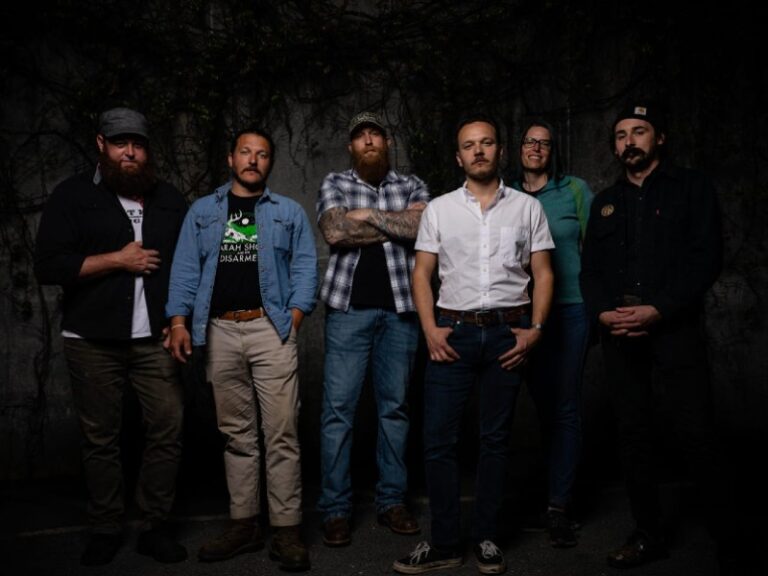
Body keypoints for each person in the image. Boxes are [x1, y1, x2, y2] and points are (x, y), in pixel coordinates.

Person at [580, 103, 740, 571]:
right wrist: (604, 314)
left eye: (640, 131)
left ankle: (729, 538)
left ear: (660, 139)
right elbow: (590, 271)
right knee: (633, 436)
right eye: (622, 135)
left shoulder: (690, 188)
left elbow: (705, 258)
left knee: (697, 432)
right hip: (620, 332)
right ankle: (647, 534)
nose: (630, 141)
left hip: (674, 329)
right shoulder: (605, 202)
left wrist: (659, 310)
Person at [394, 114, 554, 575]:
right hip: (453, 334)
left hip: (508, 334)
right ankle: (445, 543)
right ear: (459, 155)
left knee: (495, 439)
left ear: (499, 150)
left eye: (486, 142)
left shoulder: (527, 208)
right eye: (469, 145)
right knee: (439, 441)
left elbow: (543, 273)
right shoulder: (440, 209)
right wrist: (429, 329)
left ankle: (486, 537)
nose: (478, 151)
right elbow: (421, 274)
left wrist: (537, 329)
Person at [33, 107, 188, 566]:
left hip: (155, 339)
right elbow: (50, 265)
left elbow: (187, 267)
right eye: (120, 143)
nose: (130, 152)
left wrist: (179, 319)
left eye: (138, 144)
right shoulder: (72, 197)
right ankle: (105, 526)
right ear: (101, 144)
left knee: (169, 427)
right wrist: (117, 260)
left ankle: (154, 526)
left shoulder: (169, 199)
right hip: (92, 339)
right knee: (101, 437)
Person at [165, 126, 317, 571]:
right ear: (231, 159)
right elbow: (185, 268)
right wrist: (178, 320)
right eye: (246, 152)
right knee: (237, 435)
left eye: (263, 154)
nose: (253, 160)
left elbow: (307, 264)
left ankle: (287, 531)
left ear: (270, 163)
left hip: (270, 328)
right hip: (220, 333)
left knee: (282, 433)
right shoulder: (203, 211)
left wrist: (296, 314)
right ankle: (244, 525)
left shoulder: (287, 212)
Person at [316, 111, 429, 547]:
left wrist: (368, 216)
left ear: (386, 144)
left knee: (394, 410)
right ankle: (336, 510)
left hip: (402, 312)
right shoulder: (335, 182)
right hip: (348, 312)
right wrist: (394, 221)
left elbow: (422, 227)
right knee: (337, 413)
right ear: (351, 147)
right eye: (360, 136)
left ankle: (392, 502)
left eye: (375, 135)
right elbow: (335, 231)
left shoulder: (413, 185)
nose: (368, 141)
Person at [511, 120, 593, 548]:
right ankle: (522, 499)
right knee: (533, 406)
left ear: (552, 151)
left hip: (569, 310)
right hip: (517, 314)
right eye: (530, 142)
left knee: (564, 406)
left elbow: (595, 248)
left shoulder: (574, 191)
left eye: (544, 143)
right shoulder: (505, 194)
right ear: (520, 149)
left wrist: (597, 310)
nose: (537, 148)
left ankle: (559, 506)